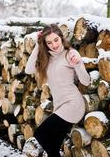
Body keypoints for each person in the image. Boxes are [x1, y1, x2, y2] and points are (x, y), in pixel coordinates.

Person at [25, 24, 90, 157]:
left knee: (40, 134)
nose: (54, 45)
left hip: (73, 104)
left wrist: (78, 65)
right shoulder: (46, 58)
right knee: (53, 146)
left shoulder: (70, 54)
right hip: (59, 106)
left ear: (61, 38)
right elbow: (28, 70)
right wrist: (38, 45)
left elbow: (86, 81)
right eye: (49, 42)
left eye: (56, 40)